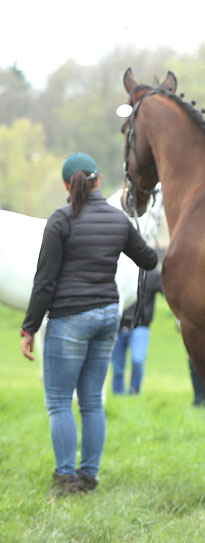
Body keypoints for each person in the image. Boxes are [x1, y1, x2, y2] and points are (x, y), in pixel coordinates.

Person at [20, 152, 158, 495]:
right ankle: (89, 477)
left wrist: (29, 328)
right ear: (97, 182)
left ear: (67, 184)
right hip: (107, 316)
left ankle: (66, 478)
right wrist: (134, 228)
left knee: (58, 401)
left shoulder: (60, 221)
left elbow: (44, 282)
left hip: (69, 318)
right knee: (92, 401)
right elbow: (149, 260)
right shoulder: (117, 220)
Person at [111, 261, 163, 395]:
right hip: (118, 326)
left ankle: (134, 392)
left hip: (140, 326)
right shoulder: (117, 269)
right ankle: (117, 395)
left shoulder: (150, 273)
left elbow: (168, 291)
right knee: (117, 367)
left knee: (137, 360)